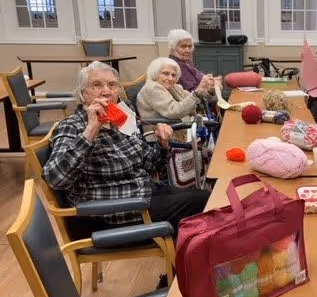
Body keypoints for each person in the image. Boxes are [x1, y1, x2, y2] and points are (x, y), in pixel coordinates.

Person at [43, 61, 211, 239]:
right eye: (97, 85)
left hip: (142, 192)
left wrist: (162, 145)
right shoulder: (72, 126)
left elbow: (149, 165)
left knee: (207, 195)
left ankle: (183, 260)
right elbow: (56, 179)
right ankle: (186, 262)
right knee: (201, 203)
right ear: (83, 94)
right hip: (111, 213)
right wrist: (91, 130)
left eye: (112, 85)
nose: (106, 91)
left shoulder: (120, 117)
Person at [136, 57, 217, 136]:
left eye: (173, 75)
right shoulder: (152, 88)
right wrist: (197, 92)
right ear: (155, 73)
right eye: (165, 73)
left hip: (182, 128)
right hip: (163, 137)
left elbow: (194, 102)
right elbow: (175, 111)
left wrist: (208, 90)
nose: (170, 78)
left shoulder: (173, 86)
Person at [167, 28, 215, 93]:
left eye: (189, 46)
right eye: (183, 46)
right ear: (173, 48)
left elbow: (200, 77)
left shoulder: (185, 62)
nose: (187, 50)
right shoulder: (178, 67)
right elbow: (193, 93)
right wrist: (209, 86)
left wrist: (210, 79)